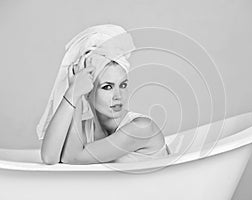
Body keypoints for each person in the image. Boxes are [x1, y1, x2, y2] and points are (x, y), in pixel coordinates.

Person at [37, 24, 170, 165]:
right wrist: (73, 94)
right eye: (107, 87)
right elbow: (49, 158)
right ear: (87, 92)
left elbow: (72, 158)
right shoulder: (86, 129)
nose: (118, 96)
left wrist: (75, 95)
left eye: (123, 85)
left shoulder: (141, 128)